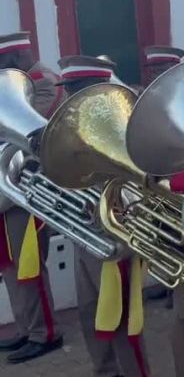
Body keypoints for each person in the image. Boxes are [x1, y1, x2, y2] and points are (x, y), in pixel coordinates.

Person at [56, 56, 150, 377]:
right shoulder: (75, 131)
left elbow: (141, 181)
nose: (68, 99)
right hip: (83, 230)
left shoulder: (120, 125)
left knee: (121, 316)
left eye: (75, 90)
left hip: (114, 230)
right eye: (68, 90)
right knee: (89, 311)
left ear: (95, 89)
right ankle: (106, 371)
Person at [0, 32, 62, 365]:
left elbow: (28, 129)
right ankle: (27, 328)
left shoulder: (44, 83)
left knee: (29, 264)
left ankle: (46, 333)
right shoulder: (15, 83)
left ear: (16, 59)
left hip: (31, 186)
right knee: (10, 265)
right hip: (9, 185)